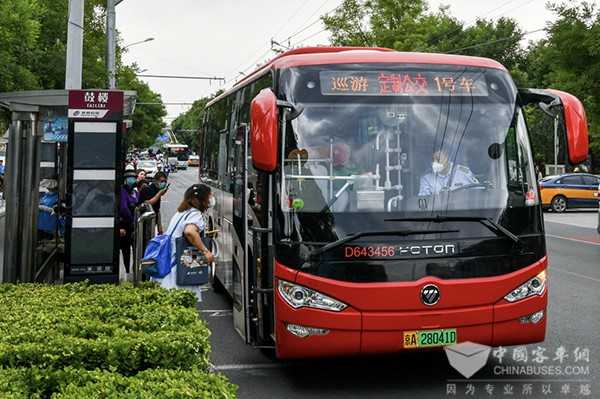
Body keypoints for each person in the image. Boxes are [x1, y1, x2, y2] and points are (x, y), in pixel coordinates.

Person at [152, 183, 216, 301]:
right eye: (209, 196)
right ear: (202, 199)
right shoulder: (195, 214)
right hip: (180, 269)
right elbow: (190, 232)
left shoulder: (182, 212)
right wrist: (205, 251)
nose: (211, 198)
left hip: (168, 264)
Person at [119, 168, 139, 273]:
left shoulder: (135, 192)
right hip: (125, 223)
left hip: (135, 224)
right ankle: (125, 270)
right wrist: (132, 219)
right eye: (128, 178)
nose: (131, 180)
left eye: (132, 178)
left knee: (136, 247)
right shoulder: (122, 191)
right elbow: (123, 207)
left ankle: (136, 269)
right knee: (125, 249)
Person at [38, 175, 60, 241]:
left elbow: (58, 210)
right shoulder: (46, 194)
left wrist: (43, 208)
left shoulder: (59, 196)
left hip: (51, 227)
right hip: (40, 225)